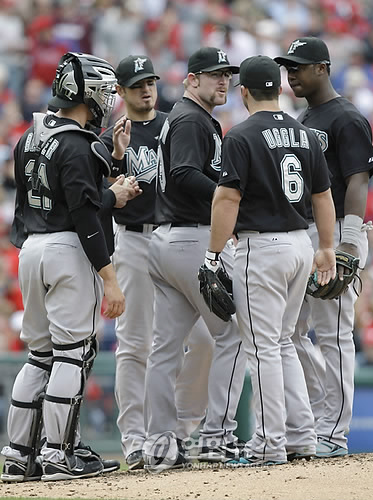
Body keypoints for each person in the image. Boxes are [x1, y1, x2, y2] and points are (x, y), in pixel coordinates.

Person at [1, 52, 141, 483]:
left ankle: (16, 454)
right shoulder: (79, 143)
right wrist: (110, 278)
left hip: (31, 249)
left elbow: (45, 201)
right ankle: (59, 455)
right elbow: (85, 212)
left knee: (40, 355)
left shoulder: (30, 133)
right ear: (90, 93)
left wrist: (113, 165)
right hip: (68, 249)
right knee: (73, 354)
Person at [205, 55, 337, 465]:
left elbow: (228, 197)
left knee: (262, 348)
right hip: (301, 243)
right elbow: (322, 196)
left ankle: (268, 444)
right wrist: (327, 246)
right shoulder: (304, 133)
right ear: (278, 88)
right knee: (282, 344)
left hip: (261, 248)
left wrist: (212, 253)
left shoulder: (241, 135)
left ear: (243, 91)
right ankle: (302, 437)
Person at [100, 55, 215, 470]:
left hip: (177, 238)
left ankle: (180, 429)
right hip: (131, 239)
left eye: (149, 81)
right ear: (121, 91)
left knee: (204, 338)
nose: (146, 89)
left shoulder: (176, 124)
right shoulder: (110, 135)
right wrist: (115, 165)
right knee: (135, 343)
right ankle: (135, 438)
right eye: (136, 85)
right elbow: (97, 196)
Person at [275, 37, 373, 457]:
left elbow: (358, 179)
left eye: (299, 66)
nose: (292, 73)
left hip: (337, 230)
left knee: (334, 334)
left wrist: (351, 242)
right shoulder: (304, 116)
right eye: (288, 67)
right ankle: (319, 417)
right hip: (306, 231)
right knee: (292, 332)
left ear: (323, 67)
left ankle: (334, 433)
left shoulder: (347, 116)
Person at [142, 47, 247, 473]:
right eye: (213, 75)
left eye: (227, 75)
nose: (223, 81)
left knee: (165, 350)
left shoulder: (190, 117)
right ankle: (216, 439)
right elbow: (185, 174)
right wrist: (228, 200)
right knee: (235, 334)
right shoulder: (189, 118)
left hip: (168, 240)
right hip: (189, 240)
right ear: (191, 80)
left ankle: (160, 444)